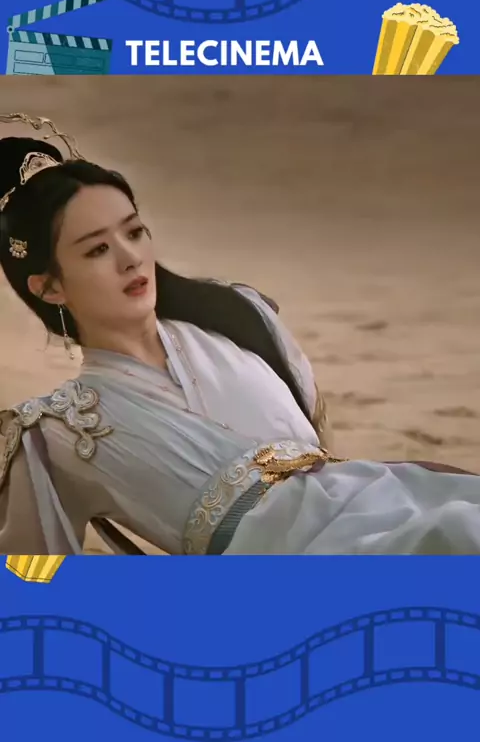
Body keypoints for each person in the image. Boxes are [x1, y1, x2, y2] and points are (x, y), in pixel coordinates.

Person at [0, 113, 479, 557]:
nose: (130, 258)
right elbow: (30, 580)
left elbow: (329, 456)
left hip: (383, 509)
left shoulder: (237, 317)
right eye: (97, 249)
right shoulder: (55, 432)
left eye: (134, 231)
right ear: (50, 286)